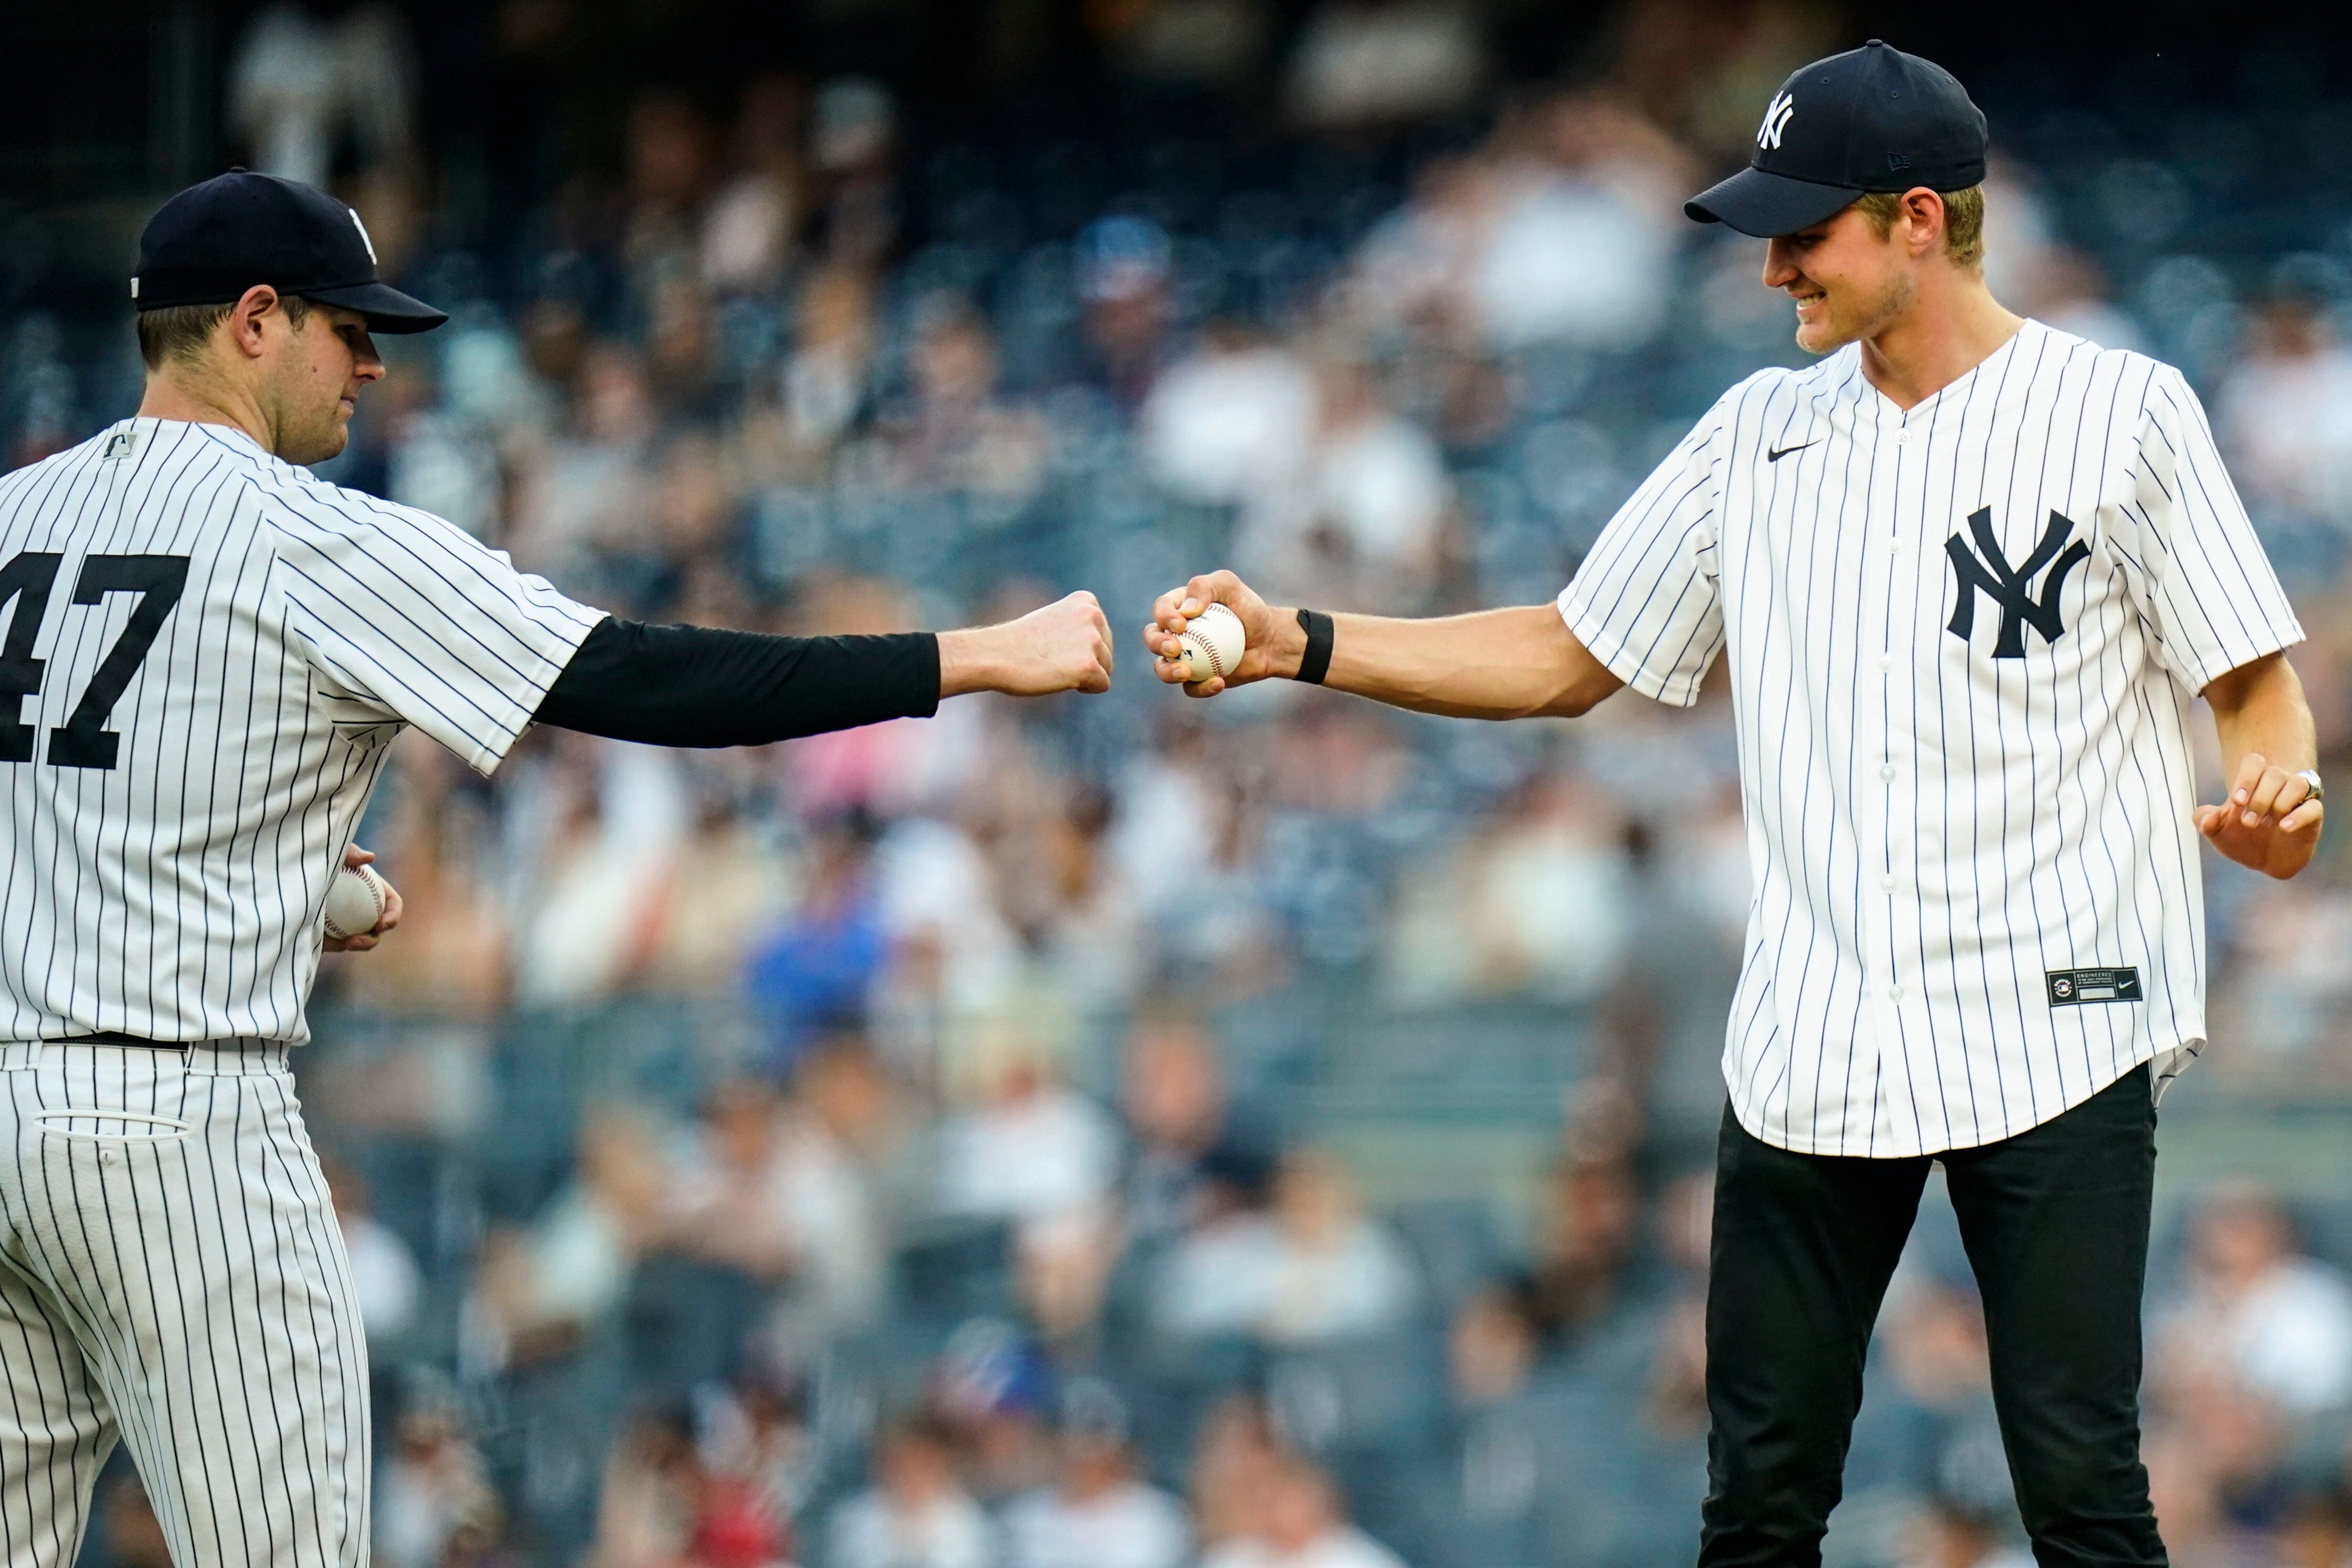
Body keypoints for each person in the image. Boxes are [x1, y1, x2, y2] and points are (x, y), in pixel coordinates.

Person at [1142, 40, 2321, 1567]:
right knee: (1755, 1511)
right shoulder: (1754, 436)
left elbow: (2249, 680)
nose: (1772, 265)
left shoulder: (2119, 414)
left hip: (2057, 1016)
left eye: (1804, 227)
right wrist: (1304, 638)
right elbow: (1570, 653)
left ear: (1915, 218)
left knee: (2082, 1498)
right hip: (1815, 1035)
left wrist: (2274, 797)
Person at [0, 168, 1112, 1568]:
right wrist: (970, 655)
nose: (371, 363)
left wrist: (256, 872)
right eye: (349, 328)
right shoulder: (307, 535)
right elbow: (647, 678)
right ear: (256, 320)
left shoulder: (13, 514)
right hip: (180, 1127)